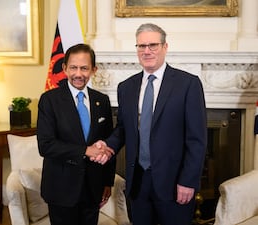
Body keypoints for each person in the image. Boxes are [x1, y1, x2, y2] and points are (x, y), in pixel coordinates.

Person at [93, 23, 207, 225]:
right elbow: (122, 128)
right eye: (141, 46)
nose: (146, 51)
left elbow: (197, 139)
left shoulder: (188, 84)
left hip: (174, 184)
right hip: (138, 184)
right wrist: (108, 146)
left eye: (153, 45)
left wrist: (188, 181)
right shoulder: (126, 87)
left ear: (165, 47)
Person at [37, 43, 116, 225]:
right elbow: (46, 145)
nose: (78, 74)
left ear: (93, 70)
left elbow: (108, 144)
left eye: (84, 68)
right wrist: (85, 151)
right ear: (64, 68)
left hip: (93, 188)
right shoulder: (49, 100)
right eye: (73, 67)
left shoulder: (102, 101)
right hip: (61, 189)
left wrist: (107, 183)